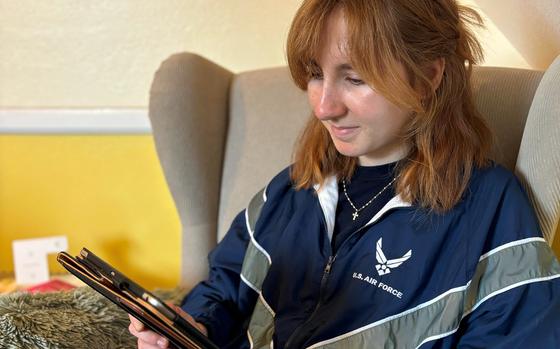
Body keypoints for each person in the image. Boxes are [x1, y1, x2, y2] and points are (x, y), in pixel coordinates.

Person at [129, 0, 560, 348]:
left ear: (427, 77)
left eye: (354, 78)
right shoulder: (291, 189)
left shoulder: (490, 207)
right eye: (316, 75)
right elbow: (223, 288)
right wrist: (191, 326)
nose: (323, 107)